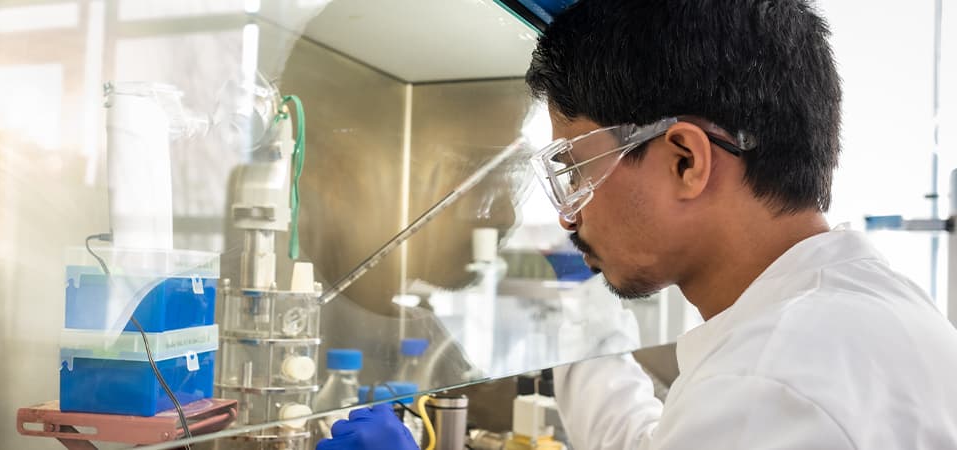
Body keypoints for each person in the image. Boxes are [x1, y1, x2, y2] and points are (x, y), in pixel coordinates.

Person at [317, 0, 957, 448]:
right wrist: (587, 326)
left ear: (685, 160)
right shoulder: (860, 313)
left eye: (576, 167)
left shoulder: (771, 383)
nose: (569, 212)